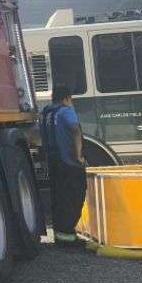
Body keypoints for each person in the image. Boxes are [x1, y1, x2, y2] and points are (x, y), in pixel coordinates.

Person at [40, 85, 87, 247]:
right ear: (67, 98)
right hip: (69, 163)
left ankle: (61, 236)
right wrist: (79, 155)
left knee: (58, 198)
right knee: (74, 197)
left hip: (54, 162)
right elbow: (75, 130)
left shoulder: (46, 113)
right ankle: (68, 236)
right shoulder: (66, 111)